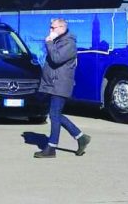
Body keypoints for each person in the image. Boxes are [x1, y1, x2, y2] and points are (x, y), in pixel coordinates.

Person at [34, 18, 91, 158]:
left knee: (54, 114)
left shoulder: (69, 43)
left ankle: (51, 148)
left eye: (53, 28)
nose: (50, 30)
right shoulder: (59, 41)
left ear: (61, 28)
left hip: (60, 84)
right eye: (50, 27)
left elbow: (56, 58)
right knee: (55, 114)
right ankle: (80, 137)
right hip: (53, 83)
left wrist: (49, 42)